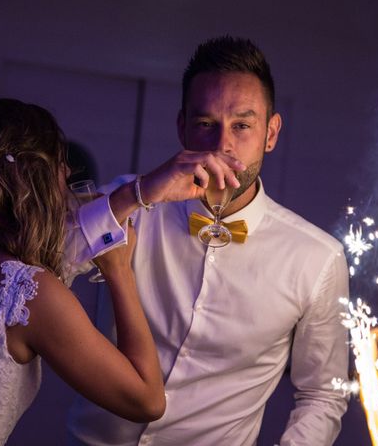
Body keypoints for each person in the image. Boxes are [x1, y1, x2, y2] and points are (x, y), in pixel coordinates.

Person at [0, 98, 242, 446]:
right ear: (35, 180)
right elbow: (147, 400)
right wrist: (120, 272)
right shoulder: (28, 294)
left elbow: (64, 248)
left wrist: (139, 192)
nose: (67, 174)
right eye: (59, 163)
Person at [67, 36, 350, 445]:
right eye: (205, 125)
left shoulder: (317, 259)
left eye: (242, 125)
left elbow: (323, 393)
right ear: (182, 128)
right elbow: (46, 260)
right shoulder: (129, 201)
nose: (222, 145)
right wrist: (140, 193)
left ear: (271, 133)